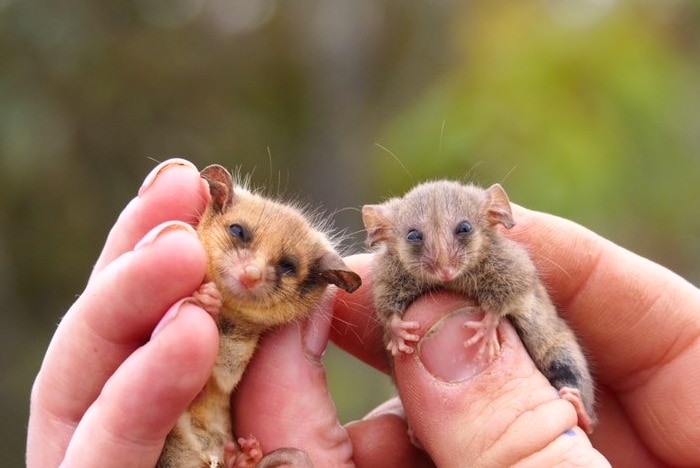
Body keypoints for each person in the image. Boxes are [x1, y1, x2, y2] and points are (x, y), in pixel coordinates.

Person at [26, 158, 700, 467]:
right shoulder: (190, 290)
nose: (253, 271)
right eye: (238, 237)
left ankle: (571, 396)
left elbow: (520, 294)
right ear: (213, 209)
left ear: (492, 219)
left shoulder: (504, 262)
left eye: (285, 270)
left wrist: (497, 338)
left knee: (561, 354)